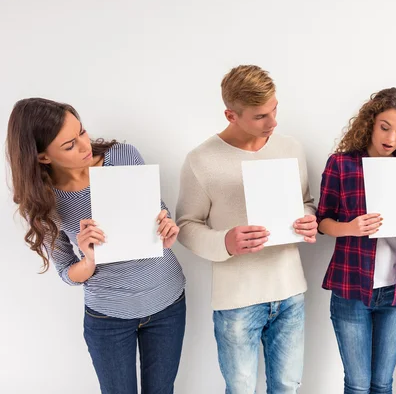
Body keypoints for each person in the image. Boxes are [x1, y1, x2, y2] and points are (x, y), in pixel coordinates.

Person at [5, 98, 186, 394]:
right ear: (42, 157)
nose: (85, 145)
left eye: (82, 132)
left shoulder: (124, 156)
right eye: (69, 145)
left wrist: (167, 228)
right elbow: (66, 272)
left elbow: (157, 211)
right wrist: (88, 259)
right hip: (108, 319)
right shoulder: (45, 203)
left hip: (167, 302)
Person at [176, 65, 317, 394]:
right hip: (237, 298)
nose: (273, 122)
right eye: (260, 116)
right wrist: (224, 241)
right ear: (231, 115)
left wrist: (307, 218)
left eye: (275, 110)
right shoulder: (201, 160)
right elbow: (186, 226)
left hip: (289, 290)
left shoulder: (290, 148)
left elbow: (307, 202)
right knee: (240, 389)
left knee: (287, 386)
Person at [316, 87, 396, 394]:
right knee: (357, 385)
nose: (391, 139)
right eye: (385, 127)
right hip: (351, 289)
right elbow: (322, 222)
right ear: (370, 122)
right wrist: (349, 227)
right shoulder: (341, 164)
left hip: (394, 293)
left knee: (383, 384)